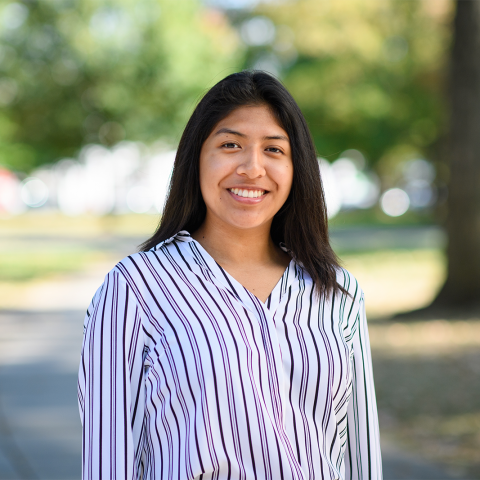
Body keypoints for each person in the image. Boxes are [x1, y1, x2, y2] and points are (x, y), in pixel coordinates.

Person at [78, 70, 382, 480]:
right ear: (196, 159)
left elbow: (361, 458)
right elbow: (107, 461)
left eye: (274, 150)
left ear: (297, 168)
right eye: (230, 145)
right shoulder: (135, 288)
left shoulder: (338, 292)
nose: (252, 168)